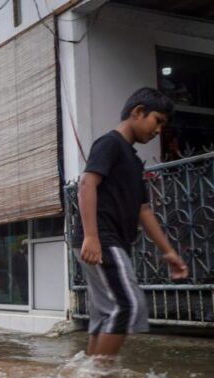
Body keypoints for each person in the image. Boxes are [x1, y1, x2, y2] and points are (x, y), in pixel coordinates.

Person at [73, 87, 188, 362]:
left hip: (106, 242)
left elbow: (143, 210)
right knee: (126, 306)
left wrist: (168, 251)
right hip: (101, 240)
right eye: (157, 120)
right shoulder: (110, 144)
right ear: (138, 112)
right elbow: (87, 183)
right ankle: (97, 376)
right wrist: (92, 236)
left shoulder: (134, 161)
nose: (159, 130)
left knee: (106, 311)